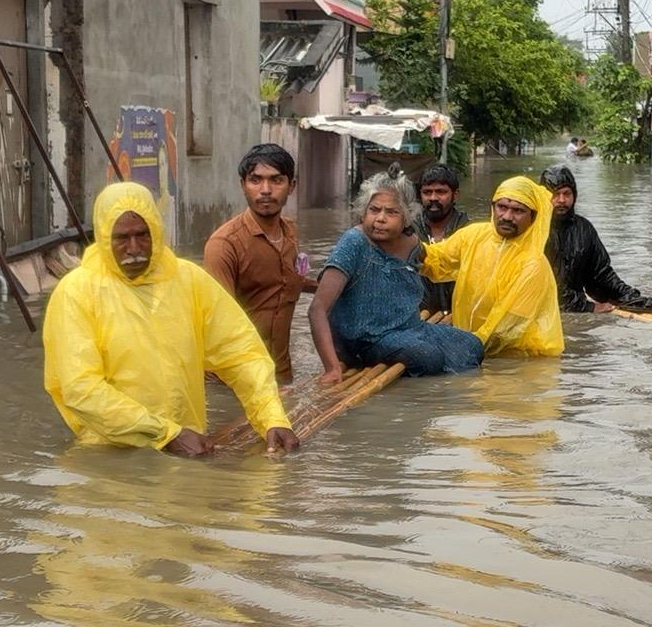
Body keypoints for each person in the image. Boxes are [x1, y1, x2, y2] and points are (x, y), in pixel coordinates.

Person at [42, 182, 300, 457]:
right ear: (105, 237)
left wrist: (272, 418)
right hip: (111, 455)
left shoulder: (188, 280)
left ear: (156, 230)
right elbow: (80, 389)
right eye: (121, 238)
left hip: (190, 446)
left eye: (143, 235)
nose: (133, 248)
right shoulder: (77, 292)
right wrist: (164, 433)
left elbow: (242, 353)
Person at [309, 167, 484, 384]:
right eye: (374, 210)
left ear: (407, 217)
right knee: (428, 357)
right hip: (364, 340)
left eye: (391, 212)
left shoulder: (411, 243)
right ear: (363, 212)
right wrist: (332, 367)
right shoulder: (354, 242)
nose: (380, 219)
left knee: (472, 345)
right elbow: (317, 309)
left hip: (409, 327)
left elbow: (441, 264)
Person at [204, 144, 317, 384]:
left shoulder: (290, 233)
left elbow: (287, 282)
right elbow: (220, 323)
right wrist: (256, 384)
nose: (266, 190)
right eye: (256, 180)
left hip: (281, 375)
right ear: (242, 185)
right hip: (234, 381)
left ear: (292, 186)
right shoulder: (224, 245)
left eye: (276, 180)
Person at [419, 176, 564, 357]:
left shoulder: (533, 265)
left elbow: (505, 329)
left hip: (516, 360)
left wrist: (459, 345)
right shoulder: (474, 236)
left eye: (518, 210)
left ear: (533, 216)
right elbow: (436, 260)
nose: (507, 217)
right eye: (502, 207)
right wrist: (405, 244)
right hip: (472, 345)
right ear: (493, 207)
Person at [539, 164, 652, 314]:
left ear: (574, 195)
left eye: (567, 193)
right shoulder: (533, 230)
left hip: (573, 308)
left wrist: (629, 297)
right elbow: (540, 284)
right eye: (555, 194)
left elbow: (600, 275)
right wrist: (587, 307)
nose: (562, 200)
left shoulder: (583, 228)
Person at [415, 163, 470, 314]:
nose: (433, 198)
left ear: (455, 195)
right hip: (417, 316)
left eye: (440, 192)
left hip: (458, 316)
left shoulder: (469, 232)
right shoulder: (408, 231)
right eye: (427, 192)